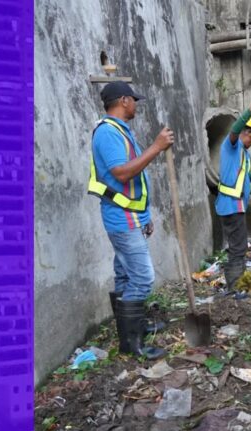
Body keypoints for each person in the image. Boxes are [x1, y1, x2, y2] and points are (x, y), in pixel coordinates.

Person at [88, 81, 173, 359]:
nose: (136, 104)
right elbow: (122, 173)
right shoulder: (108, 133)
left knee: (125, 273)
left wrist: (144, 215)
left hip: (130, 216)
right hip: (121, 219)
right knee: (143, 277)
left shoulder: (120, 131)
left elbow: (132, 184)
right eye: (134, 100)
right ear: (124, 101)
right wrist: (157, 147)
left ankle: (131, 329)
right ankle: (131, 342)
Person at [214, 96, 251, 297]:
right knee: (238, 248)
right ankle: (235, 289)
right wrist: (250, 112)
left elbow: (242, 178)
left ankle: (236, 284)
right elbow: (234, 130)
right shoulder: (232, 146)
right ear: (248, 133)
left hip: (236, 206)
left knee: (238, 246)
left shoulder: (243, 155)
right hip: (230, 206)